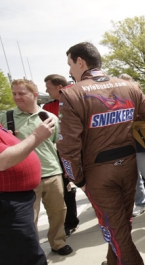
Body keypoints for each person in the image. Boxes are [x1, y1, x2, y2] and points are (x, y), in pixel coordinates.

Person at [58, 42, 145, 265]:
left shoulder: (72, 93)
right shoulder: (130, 86)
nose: (70, 70)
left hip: (98, 173)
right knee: (118, 223)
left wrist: (77, 179)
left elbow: (68, 147)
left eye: (70, 64)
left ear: (80, 61)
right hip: (128, 167)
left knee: (116, 227)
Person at [0, 79, 72, 256]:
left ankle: (58, 242)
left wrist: (67, 173)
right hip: (25, 180)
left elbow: (59, 145)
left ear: (34, 95)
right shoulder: (5, 118)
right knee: (28, 220)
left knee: (58, 212)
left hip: (52, 173)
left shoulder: (50, 117)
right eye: (14, 93)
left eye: (21, 93)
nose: (17, 97)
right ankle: (31, 250)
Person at [0, 117, 62, 265]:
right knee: (25, 258)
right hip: (6, 202)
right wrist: (37, 136)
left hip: (13, 198)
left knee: (11, 257)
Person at [44, 74, 80, 236]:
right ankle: (70, 222)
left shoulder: (78, 99)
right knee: (66, 188)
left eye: (48, 87)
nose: (46, 90)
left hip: (82, 150)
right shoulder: (48, 108)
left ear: (59, 87)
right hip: (62, 153)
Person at [117, 73, 145, 218]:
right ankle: (141, 203)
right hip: (126, 147)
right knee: (133, 179)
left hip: (143, 146)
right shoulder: (115, 105)